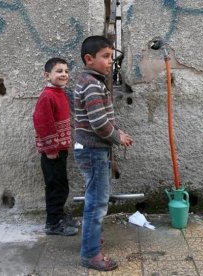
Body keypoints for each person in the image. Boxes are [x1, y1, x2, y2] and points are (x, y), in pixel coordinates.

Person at [73, 36, 133, 271]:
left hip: (92, 149)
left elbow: (103, 118)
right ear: (89, 59)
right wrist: (118, 137)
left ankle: (91, 238)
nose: (110, 62)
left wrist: (117, 130)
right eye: (105, 57)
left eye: (111, 56)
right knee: (97, 204)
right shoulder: (91, 84)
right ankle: (90, 254)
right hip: (94, 151)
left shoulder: (92, 81)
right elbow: (99, 124)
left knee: (94, 200)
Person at [33, 57, 78, 235]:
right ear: (47, 75)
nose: (64, 74)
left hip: (60, 150)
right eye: (59, 71)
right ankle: (53, 223)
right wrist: (51, 149)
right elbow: (42, 123)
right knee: (55, 188)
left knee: (61, 186)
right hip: (52, 153)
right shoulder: (47, 96)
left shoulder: (60, 93)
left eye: (66, 71)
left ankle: (58, 215)